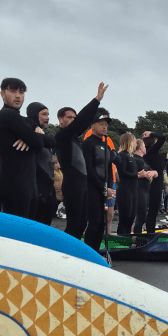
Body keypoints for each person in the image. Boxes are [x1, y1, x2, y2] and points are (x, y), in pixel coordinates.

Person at [54, 85, 107, 238]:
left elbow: (83, 123)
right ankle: (64, 255)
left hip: (82, 186)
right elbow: (81, 122)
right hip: (72, 185)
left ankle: (74, 256)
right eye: (69, 117)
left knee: (83, 223)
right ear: (60, 120)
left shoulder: (75, 139)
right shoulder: (62, 136)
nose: (72, 120)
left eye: (73, 118)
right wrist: (96, 100)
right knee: (74, 224)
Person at [0, 78, 44, 218]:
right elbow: (39, 143)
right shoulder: (6, 114)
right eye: (13, 91)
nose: (18, 96)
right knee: (16, 233)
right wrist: (33, 136)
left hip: (27, 184)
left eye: (21, 92)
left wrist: (31, 136)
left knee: (27, 232)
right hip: (15, 184)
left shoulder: (21, 119)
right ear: (2, 94)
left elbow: (47, 140)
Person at [81, 114, 114, 249]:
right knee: (94, 221)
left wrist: (109, 188)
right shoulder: (87, 143)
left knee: (102, 223)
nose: (104, 126)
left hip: (104, 189)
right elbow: (88, 169)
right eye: (101, 123)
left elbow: (108, 169)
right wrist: (103, 188)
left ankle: (96, 251)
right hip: (92, 188)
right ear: (92, 125)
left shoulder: (106, 145)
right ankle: (88, 253)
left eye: (106, 124)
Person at [140, 131, 166, 233]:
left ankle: (150, 230)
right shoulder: (151, 150)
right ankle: (150, 232)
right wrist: (151, 133)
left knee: (152, 211)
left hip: (155, 183)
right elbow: (162, 137)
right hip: (154, 184)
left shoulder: (151, 151)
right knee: (152, 210)